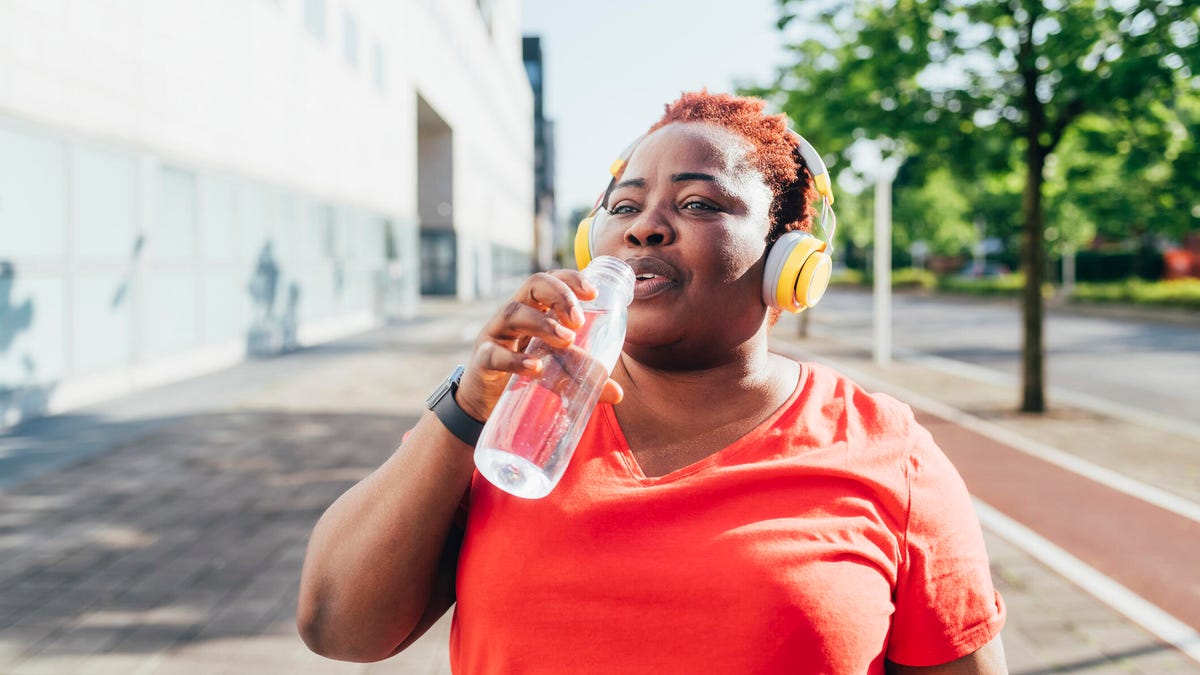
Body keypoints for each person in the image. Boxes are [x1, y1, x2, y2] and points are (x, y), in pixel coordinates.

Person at [297, 91, 1008, 674]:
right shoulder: (511, 417)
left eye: (699, 204)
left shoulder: (887, 451)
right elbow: (337, 625)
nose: (645, 228)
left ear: (789, 259)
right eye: (625, 205)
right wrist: (463, 408)